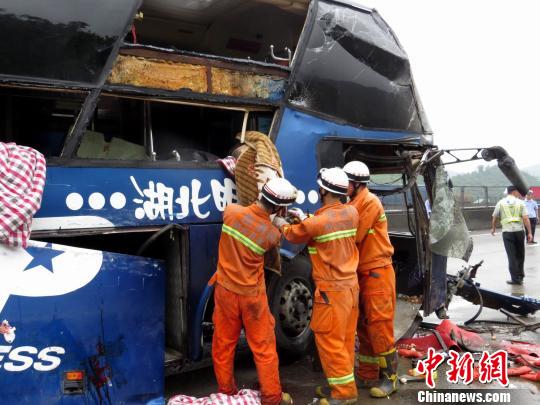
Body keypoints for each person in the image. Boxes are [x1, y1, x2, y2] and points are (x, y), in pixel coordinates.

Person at [209, 178, 298, 405]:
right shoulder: (271, 235)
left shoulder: (231, 212)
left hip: (225, 291)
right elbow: (273, 236)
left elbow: (247, 215)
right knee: (264, 348)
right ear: (279, 207)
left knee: (223, 344)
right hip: (252, 297)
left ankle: (226, 392)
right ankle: (271, 398)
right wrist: (279, 221)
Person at [275, 168, 360, 405]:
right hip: (351, 288)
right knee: (343, 340)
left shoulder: (318, 223)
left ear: (323, 190)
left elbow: (293, 235)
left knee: (330, 343)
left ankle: (344, 395)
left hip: (331, 291)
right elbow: (322, 225)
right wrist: (306, 218)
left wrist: (281, 221)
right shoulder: (351, 212)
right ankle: (343, 385)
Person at [342, 161, 398, 398]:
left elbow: (353, 236)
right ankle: (367, 374)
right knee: (364, 326)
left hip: (376, 272)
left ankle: (390, 378)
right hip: (363, 273)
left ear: (355, 183)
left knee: (379, 327)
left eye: (345, 183)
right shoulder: (354, 202)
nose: (342, 187)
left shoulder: (368, 202)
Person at [491, 185, 533, 285]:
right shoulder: (520, 202)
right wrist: (530, 232)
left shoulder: (500, 203)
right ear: (514, 192)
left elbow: (494, 217)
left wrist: (493, 228)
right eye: (518, 192)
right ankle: (520, 276)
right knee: (520, 255)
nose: (519, 193)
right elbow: (526, 218)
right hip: (519, 232)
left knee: (511, 256)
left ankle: (515, 279)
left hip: (507, 233)